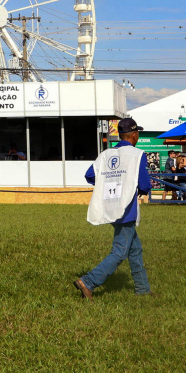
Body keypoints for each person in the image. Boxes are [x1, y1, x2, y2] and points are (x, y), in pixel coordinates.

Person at [73, 117, 152, 300]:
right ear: (134, 135)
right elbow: (145, 185)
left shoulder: (106, 154)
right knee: (120, 250)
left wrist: (110, 181)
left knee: (134, 249)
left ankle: (143, 290)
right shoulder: (137, 154)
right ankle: (89, 281)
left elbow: (90, 175)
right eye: (137, 133)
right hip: (126, 208)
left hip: (110, 205)